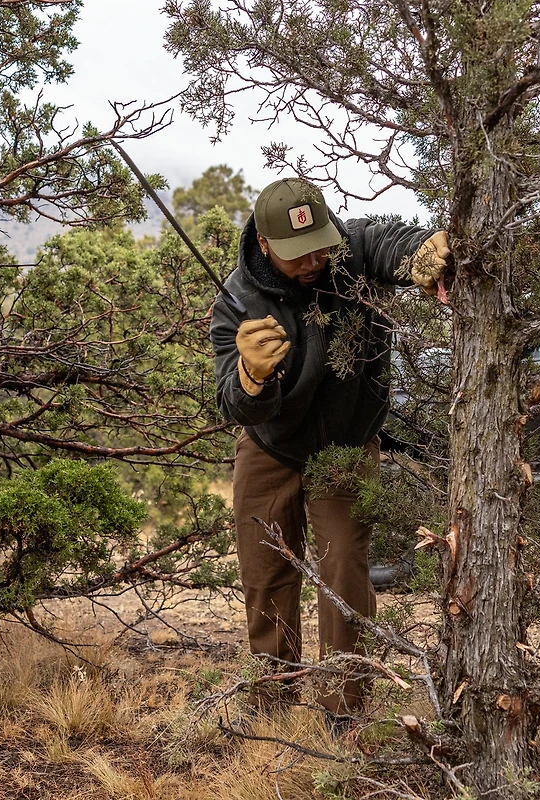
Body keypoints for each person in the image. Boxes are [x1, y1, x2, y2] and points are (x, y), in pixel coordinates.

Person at [210, 178, 449, 715]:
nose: (313, 259)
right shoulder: (236, 303)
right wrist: (252, 376)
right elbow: (233, 404)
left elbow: (390, 241)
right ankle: (271, 701)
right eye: (297, 253)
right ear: (265, 244)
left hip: (346, 445)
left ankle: (346, 708)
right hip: (271, 447)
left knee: (343, 566)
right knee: (266, 572)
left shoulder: (352, 250)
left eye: (319, 242)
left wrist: (422, 252)